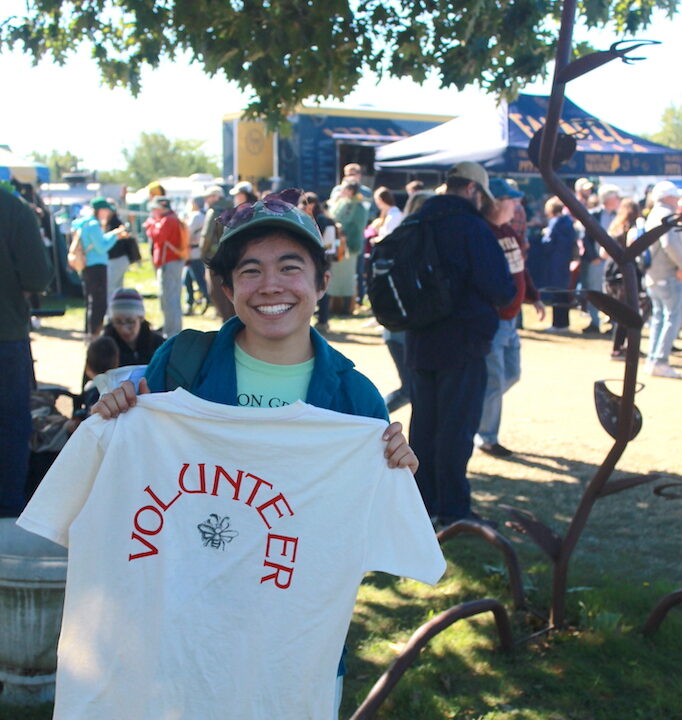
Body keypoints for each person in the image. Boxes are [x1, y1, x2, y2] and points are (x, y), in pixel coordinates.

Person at [90, 188, 420, 717]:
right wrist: (119, 414)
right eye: (249, 271)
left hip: (290, 648)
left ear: (319, 281)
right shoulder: (183, 362)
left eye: (290, 267)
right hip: (179, 632)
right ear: (226, 286)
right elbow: (133, 477)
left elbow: (358, 534)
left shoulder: (354, 401)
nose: (271, 286)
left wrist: (394, 471)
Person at [406, 162, 516, 528]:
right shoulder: (471, 227)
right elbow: (501, 290)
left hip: (419, 339)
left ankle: (421, 505)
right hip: (462, 343)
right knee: (456, 429)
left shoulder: (417, 221)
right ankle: (453, 510)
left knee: (423, 428)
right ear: (472, 190)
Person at [475, 178, 544, 458]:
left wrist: (534, 295)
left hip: (511, 319)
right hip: (495, 319)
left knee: (511, 374)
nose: (517, 206)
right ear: (496, 202)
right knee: (494, 380)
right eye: (511, 200)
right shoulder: (484, 232)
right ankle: (488, 437)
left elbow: (520, 269)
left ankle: (477, 413)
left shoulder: (507, 232)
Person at [0, 186, 52, 517]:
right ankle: (6, 516)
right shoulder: (12, 208)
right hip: (5, 337)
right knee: (10, 426)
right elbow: (38, 277)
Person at [642, 180, 682, 378]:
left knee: (659, 317)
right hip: (667, 273)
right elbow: (671, 244)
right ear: (668, 197)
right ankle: (660, 360)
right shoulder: (666, 215)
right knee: (672, 317)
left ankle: (653, 359)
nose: (677, 199)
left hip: (653, 274)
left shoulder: (652, 214)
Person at [73, 197, 127, 340]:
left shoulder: (84, 223)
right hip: (96, 266)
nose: (108, 213)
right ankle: (94, 335)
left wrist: (112, 234)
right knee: (99, 303)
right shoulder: (93, 225)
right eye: (107, 210)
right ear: (101, 210)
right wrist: (116, 236)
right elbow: (102, 247)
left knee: (91, 301)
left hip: (87, 266)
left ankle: (89, 333)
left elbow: (100, 240)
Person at [602, 198, 641, 360]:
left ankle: (621, 346)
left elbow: (602, 254)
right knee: (626, 312)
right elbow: (636, 249)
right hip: (624, 274)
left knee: (622, 312)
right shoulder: (632, 229)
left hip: (611, 272)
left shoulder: (614, 228)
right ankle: (618, 348)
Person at [579, 183, 621, 333]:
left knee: (613, 292)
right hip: (596, 261)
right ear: (608, 199)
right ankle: (594, 322)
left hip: (613, 262)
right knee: (594, 291)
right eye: (616, 197)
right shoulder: (594, 214)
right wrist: (594, 257)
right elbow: (586, 238)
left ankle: (613, 323)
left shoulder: (619, 215)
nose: (619, 200)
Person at [143, 196, 186, 338]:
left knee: (170, 298)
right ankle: (170, 329)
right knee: (167, 297)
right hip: (169, 261)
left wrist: (150, 225)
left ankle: (172, 332)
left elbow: (158, 237)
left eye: (155, 209)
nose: (153, 212)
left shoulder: (168, 220)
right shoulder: (170, 218)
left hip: (170, 262)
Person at [327, 180, 368, 315]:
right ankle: (334, 306)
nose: (341, 192)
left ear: (350, 191)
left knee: (348, 278)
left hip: (349, 247)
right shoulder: (342, 202)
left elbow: (356, 225)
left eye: (344, 189)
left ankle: (347, 307)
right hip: (339, 245)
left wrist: (342, 229)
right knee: (336, 277)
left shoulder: (359, 206)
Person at [299, 191, 336, 333]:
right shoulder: (321, 219)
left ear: (312, 204)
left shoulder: (321, 221)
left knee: (322, 291)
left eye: (303, 204)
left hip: (321, 260)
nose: (300, 207)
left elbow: (326, 244)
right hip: (320, 259)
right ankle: (321, 321)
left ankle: (323, 321)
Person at [541, 196, 578, 332]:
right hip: (565, 261)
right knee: (563, 292)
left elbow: (548, 243)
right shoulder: (568, 222)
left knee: (557, 293)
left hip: (555, 262)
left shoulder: (555, 223)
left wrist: (544, 235)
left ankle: (558, 324)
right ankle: (564, 323)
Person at [102, 288, 165, 366]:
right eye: (118, 322)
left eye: (130, 321)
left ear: (141, 318)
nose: (124, 329)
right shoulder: (103, 349)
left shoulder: (159, 346)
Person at [200, 185, 235, 322]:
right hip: (233, 257)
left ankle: (226, 322)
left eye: (208, 197)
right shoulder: (234, 209)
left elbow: (206, 237)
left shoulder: (214, 212)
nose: (206, 200)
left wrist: (203, 255)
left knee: (216, 292)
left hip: (215, 258)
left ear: (215, 197)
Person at [183, 197, 209, 315]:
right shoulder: (202, 215)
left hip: (194, 252)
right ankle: (190, 303)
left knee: (198, 279)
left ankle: (207, 299)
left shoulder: (196, 216)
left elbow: (186, 232)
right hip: (195, 252)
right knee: (188, 279)